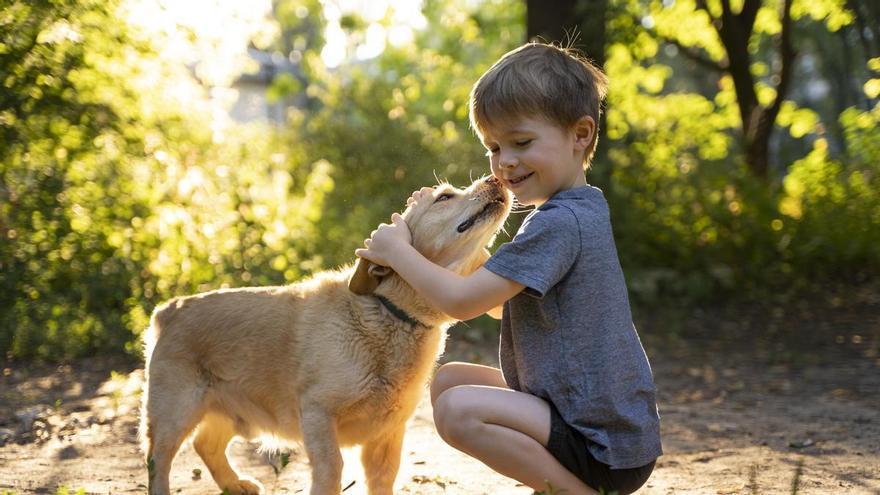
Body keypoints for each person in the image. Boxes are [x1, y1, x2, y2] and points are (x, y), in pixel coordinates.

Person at [355, 42, 661, 495]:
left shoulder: (559, 223)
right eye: (494, 147)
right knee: (449, 380)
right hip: (597, 421)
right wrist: (438, 228)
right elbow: (501, 307)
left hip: (601, 444)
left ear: (580, 135)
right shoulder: (577, 209)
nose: (505, 162)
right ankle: (557, 481)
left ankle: (576, 492)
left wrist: (400, 252)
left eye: (522, 142)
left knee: (458, 410)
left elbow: (462, 303)